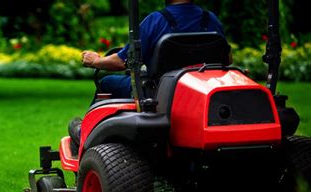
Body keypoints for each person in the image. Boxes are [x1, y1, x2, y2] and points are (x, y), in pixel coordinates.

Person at [69, 0, 226, 156]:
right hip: (200, 91)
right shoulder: (210, 19)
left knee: (107, 83)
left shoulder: (155, 21)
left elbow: (122, 61)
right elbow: (227, 58)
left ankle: (84, 134)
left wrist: (96, 61)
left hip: (157, 93)